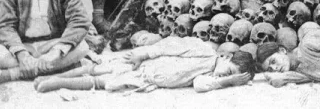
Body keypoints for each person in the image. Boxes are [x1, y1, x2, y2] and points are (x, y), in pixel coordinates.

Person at [34, 38, 254, 93]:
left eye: (229, 75)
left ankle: (57, 82)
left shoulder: (209, 76)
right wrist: (144, 54)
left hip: (145, 79)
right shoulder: (204, 50)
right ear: (226, 58)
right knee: (100, 67)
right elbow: (170, 45)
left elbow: (200, 85)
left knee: (102, 82)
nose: (224, 74)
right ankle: (47, 78)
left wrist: (226, 81)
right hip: (145, 63)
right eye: (230, 70)